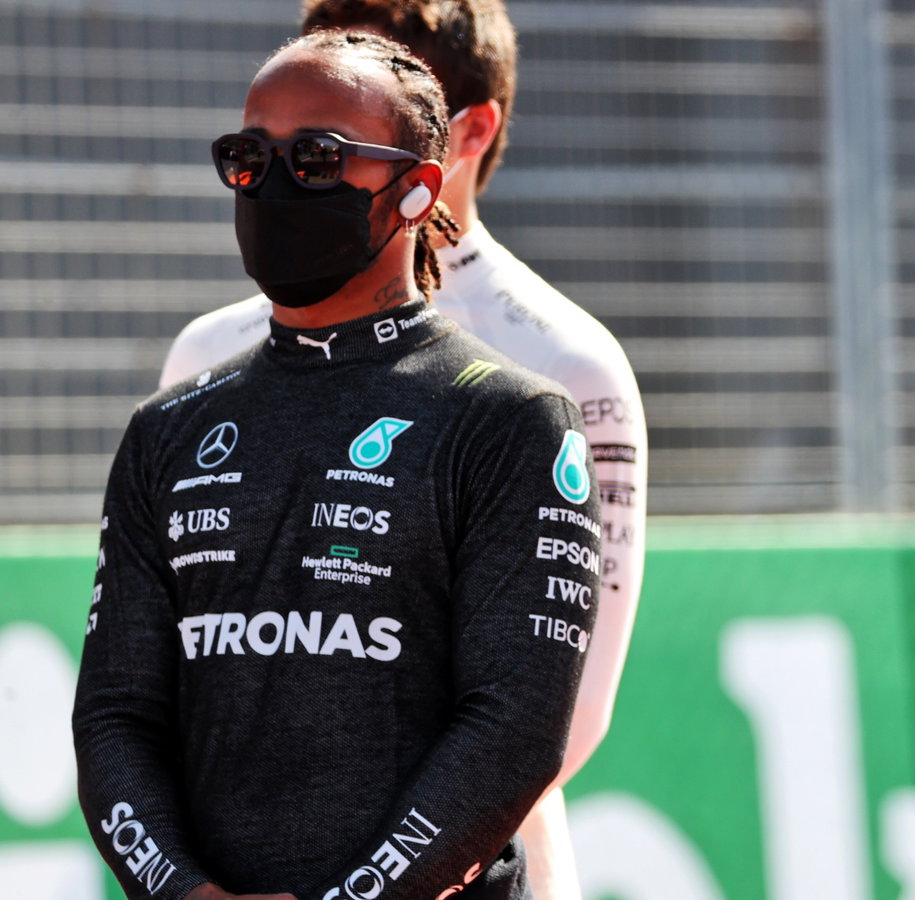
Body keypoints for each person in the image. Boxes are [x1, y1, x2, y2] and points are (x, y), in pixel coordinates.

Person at [73, 31, 602, 900]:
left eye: (318, 158)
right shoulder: (166, 431)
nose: (276, 184)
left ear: (416, 190)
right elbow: (114, 717)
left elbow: (515, 731)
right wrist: (185, 894)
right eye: (248, 157)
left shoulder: (510, 419)